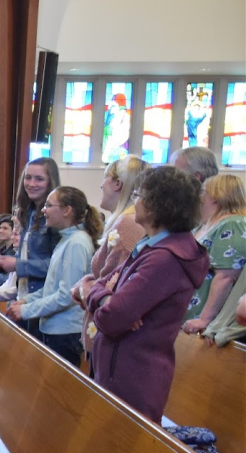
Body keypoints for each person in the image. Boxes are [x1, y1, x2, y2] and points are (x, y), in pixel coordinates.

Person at [80, 166, 208, 423]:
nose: (134, 201)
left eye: (138, 194)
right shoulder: (150, 246)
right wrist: (104, 296)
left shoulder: (165, 259)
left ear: (155, 205)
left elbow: (112, 318)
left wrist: (103, 299)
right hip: (120, 369)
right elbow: (99, 282)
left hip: (132, 376)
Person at [7, 187, 101, 367]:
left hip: (65, 333)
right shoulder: (66, 240)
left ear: (67, 211)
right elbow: (52, 287)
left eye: (49, 205)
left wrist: (27, 311)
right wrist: (26, 300)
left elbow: (67, 295)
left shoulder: (77, 243)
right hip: (55, 330)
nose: (43, 210)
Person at [72, 156, 148, 363]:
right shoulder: (127, 221)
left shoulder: (127, 224)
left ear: (117, 184)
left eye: (105, 178)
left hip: (112, 337)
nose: (100, 184)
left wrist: (84, 286)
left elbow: (117, 286)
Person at [0, 157, 62, 340]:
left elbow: (57, 266)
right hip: (25, 298)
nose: (31, 184)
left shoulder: (53, 218)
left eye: (39, 179)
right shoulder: (30, 213)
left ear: (51, 182)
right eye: (28, 178)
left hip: (43, 303)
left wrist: (18, 265)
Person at [182, 173, 246, 335]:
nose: (199, 197)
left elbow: (225, 277)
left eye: (204, 191)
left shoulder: (232, 224)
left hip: (199, 319)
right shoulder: (203, 225)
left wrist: (204, 319)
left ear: (216, 195)